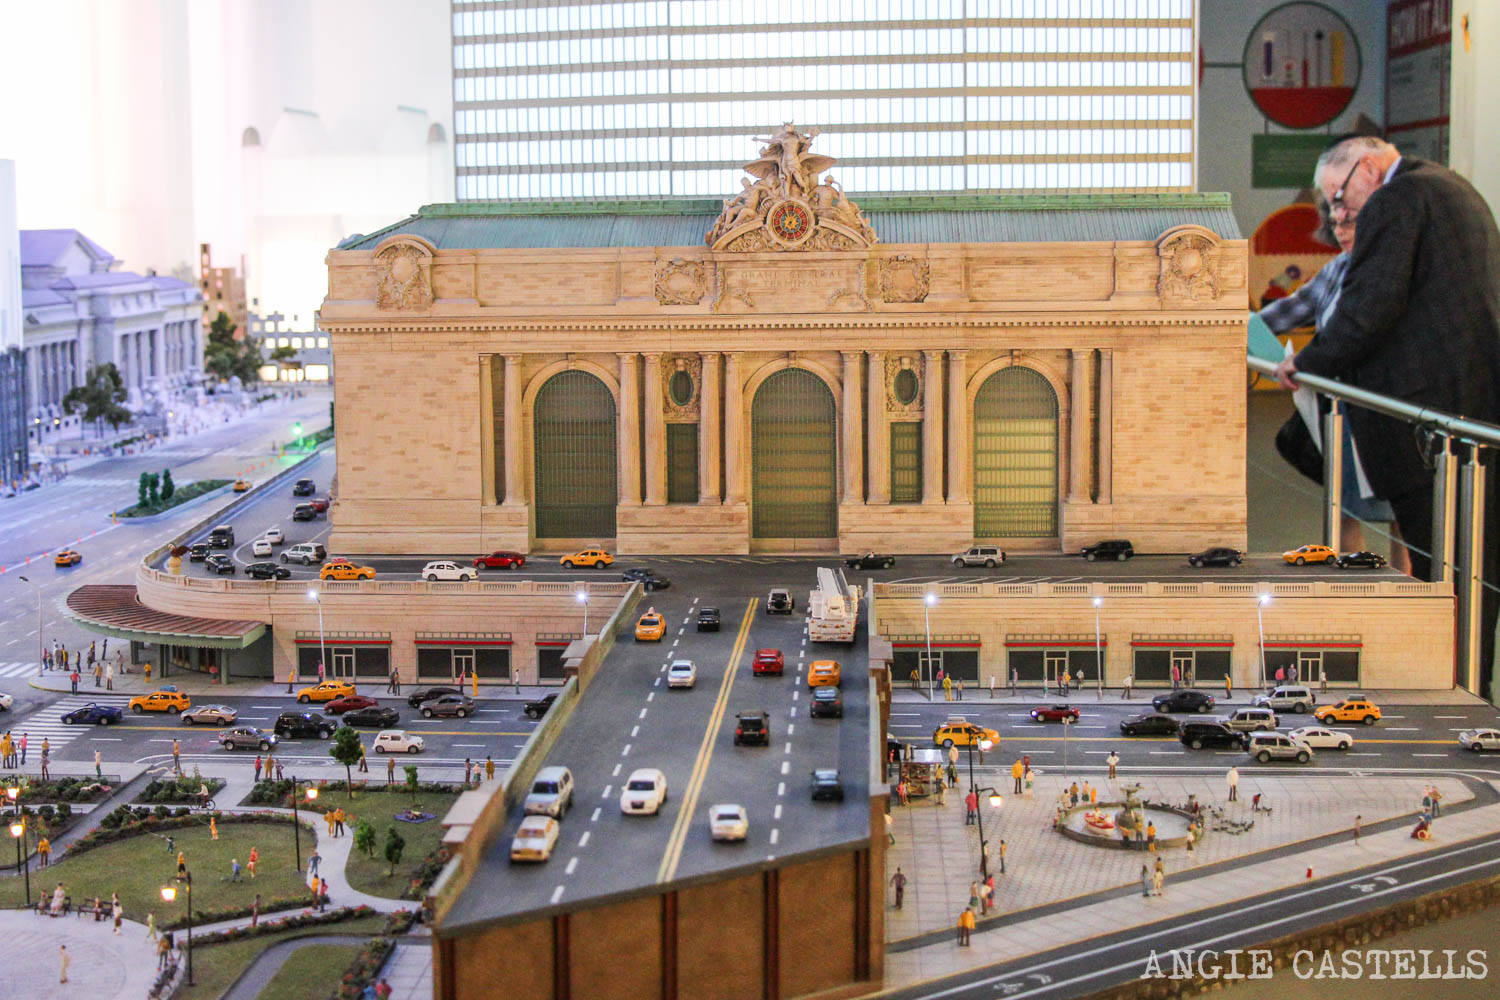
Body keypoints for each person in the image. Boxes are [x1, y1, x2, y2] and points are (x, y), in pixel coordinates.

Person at [1274, 134, 1500, 688]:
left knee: (1441, 565)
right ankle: (1469, 681)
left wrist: (1308, 365)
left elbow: (1372, 303)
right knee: (1471, 561)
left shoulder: (1397, 201)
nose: (1339, 211)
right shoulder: (1452, 188)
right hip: (1471, 407)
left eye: (1339, 195)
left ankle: (1451, 689)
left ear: (1369, 168)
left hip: (1427, 417)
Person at [1261, 199, 1411, 569]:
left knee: (1402, 512)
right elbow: (1286, 311)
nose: (1341, 231)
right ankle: (1346, 578)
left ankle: (1410, 592)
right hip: (1341, 410)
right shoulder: (1336, 270)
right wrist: (1231, 324)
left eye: (1351, 224)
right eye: (1336, 225)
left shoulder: (1397, 272)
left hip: (1391, 407)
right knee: (1343, 504)